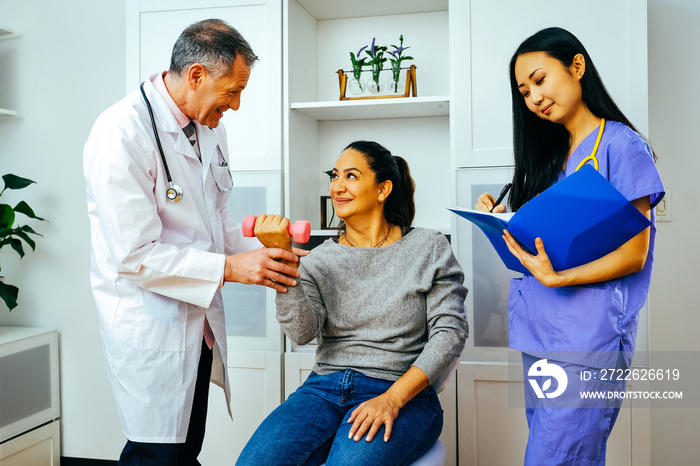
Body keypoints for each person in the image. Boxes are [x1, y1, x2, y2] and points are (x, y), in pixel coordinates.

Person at [83, 19, 303, 465]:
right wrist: (231, 269)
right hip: (151, 323)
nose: (237, 105)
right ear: (198, 75)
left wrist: (261, 257)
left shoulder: (210, 125)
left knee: (185, 449)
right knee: (155, 454)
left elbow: (214, 217)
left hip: (197, 323)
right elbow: (132, 256)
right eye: (233, 91)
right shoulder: (120, 133)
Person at [475, 27, 664, 465]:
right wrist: (498, 217)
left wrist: (561, 277)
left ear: (576, 67)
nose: (534, 97)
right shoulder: (550, 156)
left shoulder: (622, 146)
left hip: (587, 340)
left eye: (540, 80)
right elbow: (543, 238)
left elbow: (635, 254)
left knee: (555, 459)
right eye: (524, 91)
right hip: (540, 335)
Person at [236, 141, 469, 465]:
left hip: (401, 390)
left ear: (383, 189)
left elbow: (450, 333)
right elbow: (302, 332)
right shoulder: (318, 259)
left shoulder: (428, 247)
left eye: (351, 176)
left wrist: (391, 399)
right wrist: (287, 266)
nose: (337, 186)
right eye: (334, 176)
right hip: (323, 388)